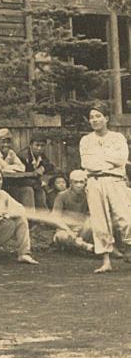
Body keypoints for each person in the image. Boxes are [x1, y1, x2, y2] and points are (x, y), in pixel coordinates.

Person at [79, 102, 131, 273]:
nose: (94, 120)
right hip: (94, 182)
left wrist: (100, 158)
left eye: (98, 116)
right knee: (100, 223)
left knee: (126, 218)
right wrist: (107, 161)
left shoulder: (117, 137)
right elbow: (87, 163)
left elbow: (121, 159)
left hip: (115, 181)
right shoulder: (86, 140)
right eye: (91, 117)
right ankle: (106, 261)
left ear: (106, 118)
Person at [51, 170, 95, 254]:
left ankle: (77, 245)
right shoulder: (62, 195)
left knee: (93, 222)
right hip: (65, 229)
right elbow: (55, 218)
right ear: (71, 182)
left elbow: (93, 214)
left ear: (85, 182)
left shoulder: (88, 196)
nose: (79, 185)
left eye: (81, 182)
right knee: (61, 236)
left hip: (83, 230)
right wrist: (69, 231)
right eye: (76, 182)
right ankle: (87, 247)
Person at [19, 134, 56, 210]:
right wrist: (40, 183)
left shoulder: (40, 155)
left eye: (42, 146)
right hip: (20, 184)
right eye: (37, 145)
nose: (39, 148)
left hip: (33, 182)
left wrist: (43, 168)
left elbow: (50, 165)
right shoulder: (23, 156)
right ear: (30, 145)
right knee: (39, 190)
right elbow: (22, 176)